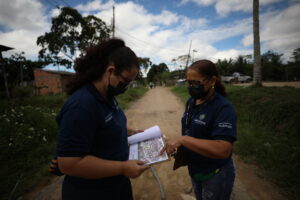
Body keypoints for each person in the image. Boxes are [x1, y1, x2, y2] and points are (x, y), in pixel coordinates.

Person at [56, 38, 149, 200]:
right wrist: (122, 168)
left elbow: (103, 126)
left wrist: (130, 133)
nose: (125, 87)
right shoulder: (81, 105)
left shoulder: (107, 95)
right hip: (91, 192)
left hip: (117, 186)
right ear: (110, 71)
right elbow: (69, 164)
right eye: (125, 81)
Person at [161, 60, 237, 200]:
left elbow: (223, 149)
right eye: (189, 82)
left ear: (212, 81)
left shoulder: (223, 108)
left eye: (195, 83)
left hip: (215, 173)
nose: (191, 87)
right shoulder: (191, 102)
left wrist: (184, 140)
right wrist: (175, 143)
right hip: (195, 170)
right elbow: (191, 131)